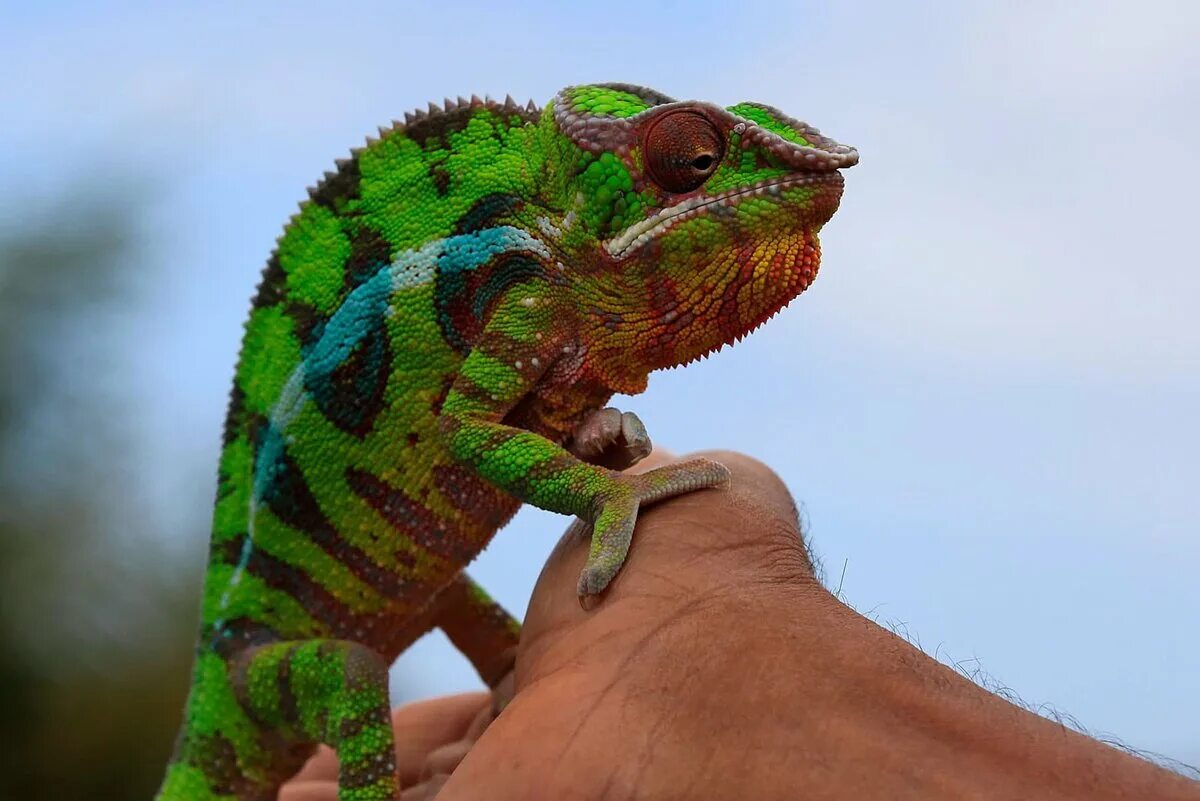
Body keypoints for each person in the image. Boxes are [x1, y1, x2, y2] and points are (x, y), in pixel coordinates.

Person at [279, 451, 1199, 800]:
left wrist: (701, 659)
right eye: (694, 161)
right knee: (354, 681)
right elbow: (475, 433)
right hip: (279, 623)